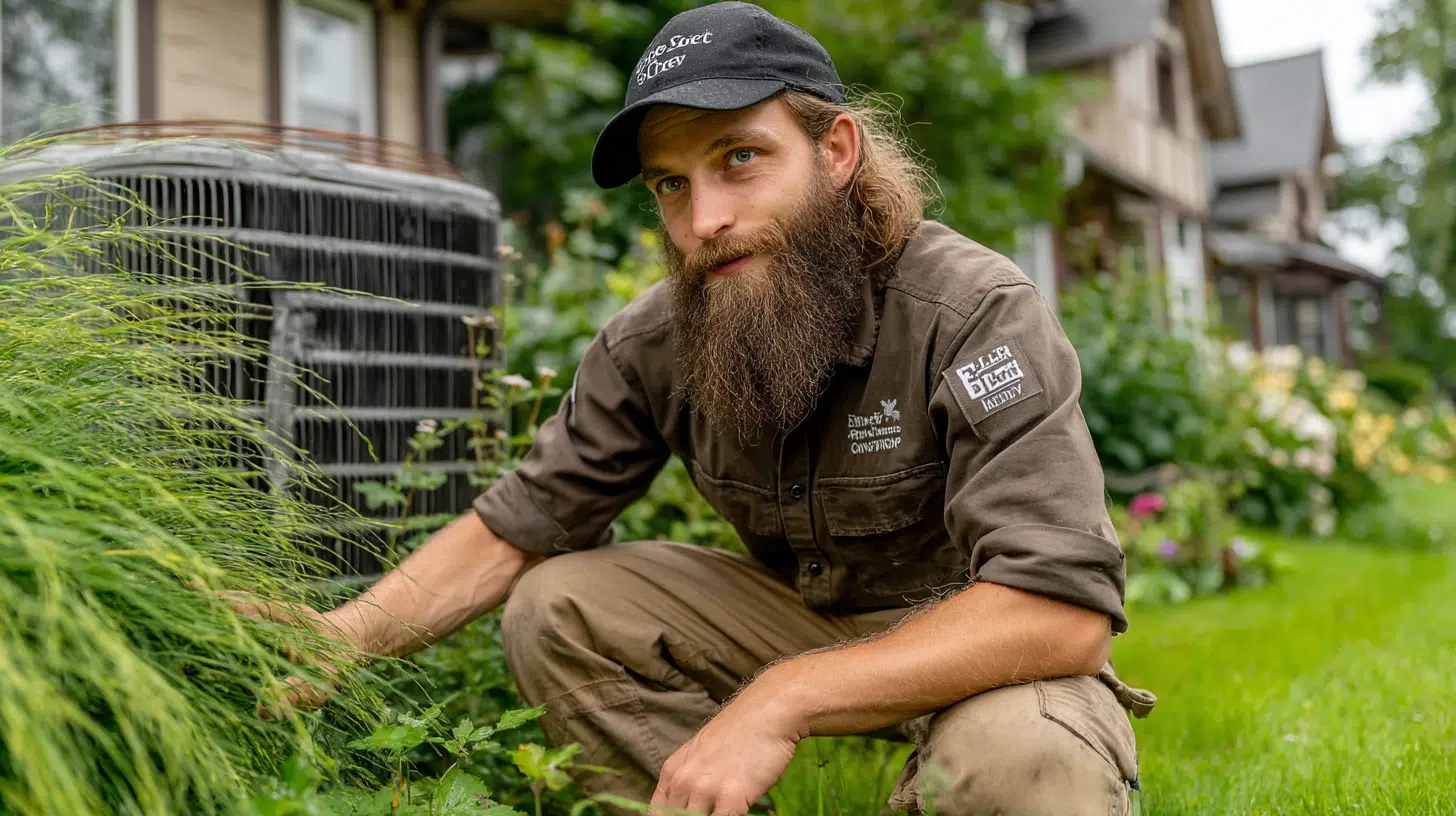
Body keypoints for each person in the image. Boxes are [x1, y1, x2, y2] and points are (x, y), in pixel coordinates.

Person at [251, 3, 1157, 813]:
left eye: (740, 159)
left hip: (987, 638)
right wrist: (339, 639)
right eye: (671, 183)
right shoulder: (656, 340)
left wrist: (783, 699)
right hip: (802, 618)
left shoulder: (973, 312)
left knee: (1024, 764)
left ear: (836, 152)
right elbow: (518, 529)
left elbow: (1057, 612)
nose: (702, 220)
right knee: (557, 602)